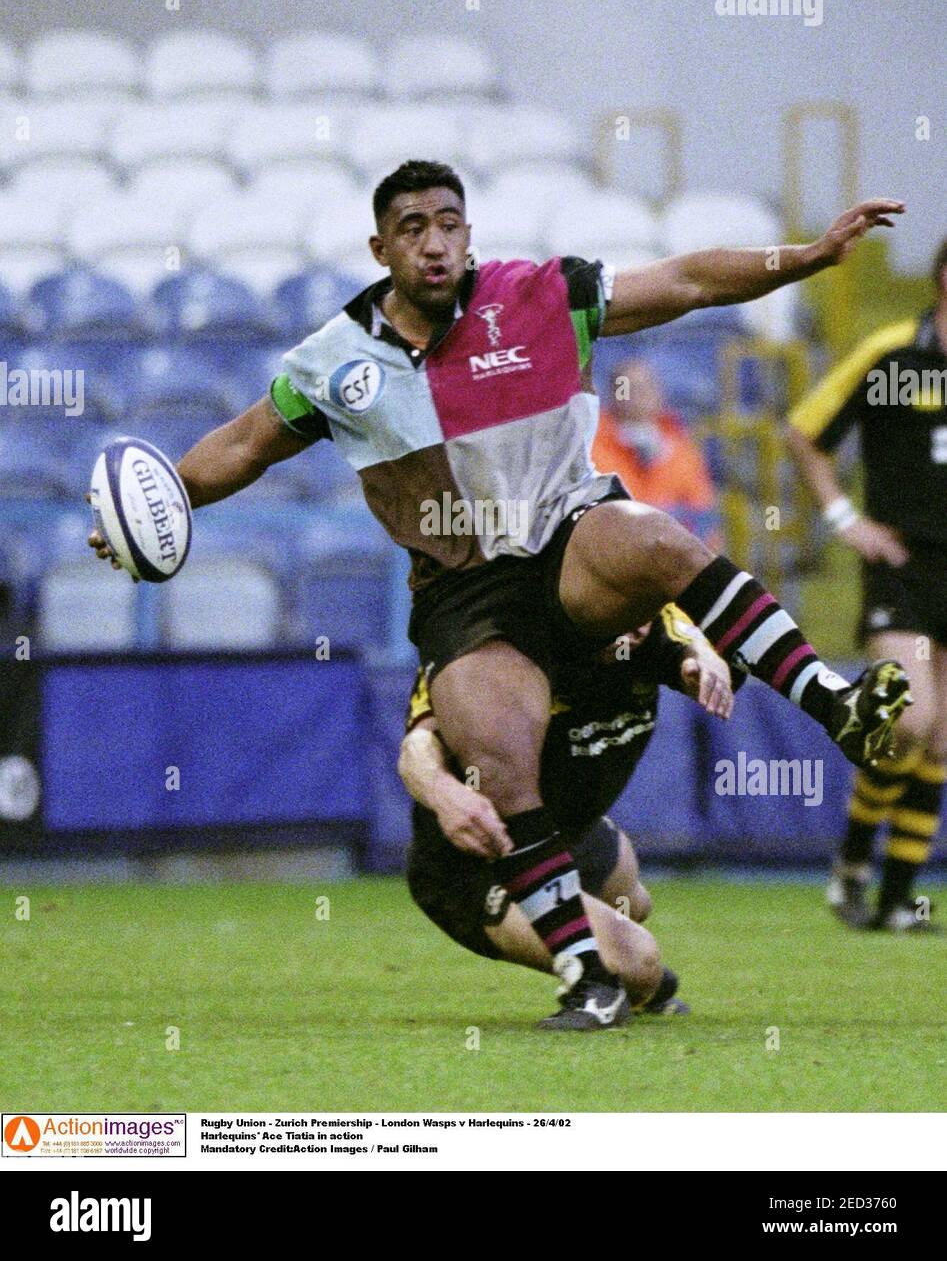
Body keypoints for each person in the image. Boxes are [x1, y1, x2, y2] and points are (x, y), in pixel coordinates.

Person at [89, 159, 911, 1028]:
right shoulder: (333, 363)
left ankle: (832, 702)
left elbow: (686, 279)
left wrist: (809, 255)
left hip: (565, 540)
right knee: (498, 751)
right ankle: (587, 977)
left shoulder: (538, 296)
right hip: (464, 591)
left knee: (653, 534)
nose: (434, 242)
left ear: (468, 235)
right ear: (381, 246)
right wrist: (164, 496)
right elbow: (247, 443)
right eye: (412, 228)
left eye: (448, 223)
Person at [398, 608, 736, 1027]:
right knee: (638, 961)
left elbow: (698, 637)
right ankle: (622, 977)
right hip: (477, 862)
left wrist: (708, 655)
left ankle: (603, 929)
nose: (635, 622)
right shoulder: (495, 646)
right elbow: (416, 749)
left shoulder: (646, 618)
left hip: (573, 836)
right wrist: (444, 794)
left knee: (636, 900)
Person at [786, 237, 947, 933]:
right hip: (902, 562)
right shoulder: (892, 352)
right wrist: (844, 519)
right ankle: (851, 864)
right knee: (906, 721)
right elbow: (803, 432)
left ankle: (895, 901)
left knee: (940, 741)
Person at [591, 358, 722, 547]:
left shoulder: (681, 449)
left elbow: (702, 515)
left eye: (645, 386)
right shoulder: (592, 447)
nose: (639, 395)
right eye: (629, 387)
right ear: (613, 393)